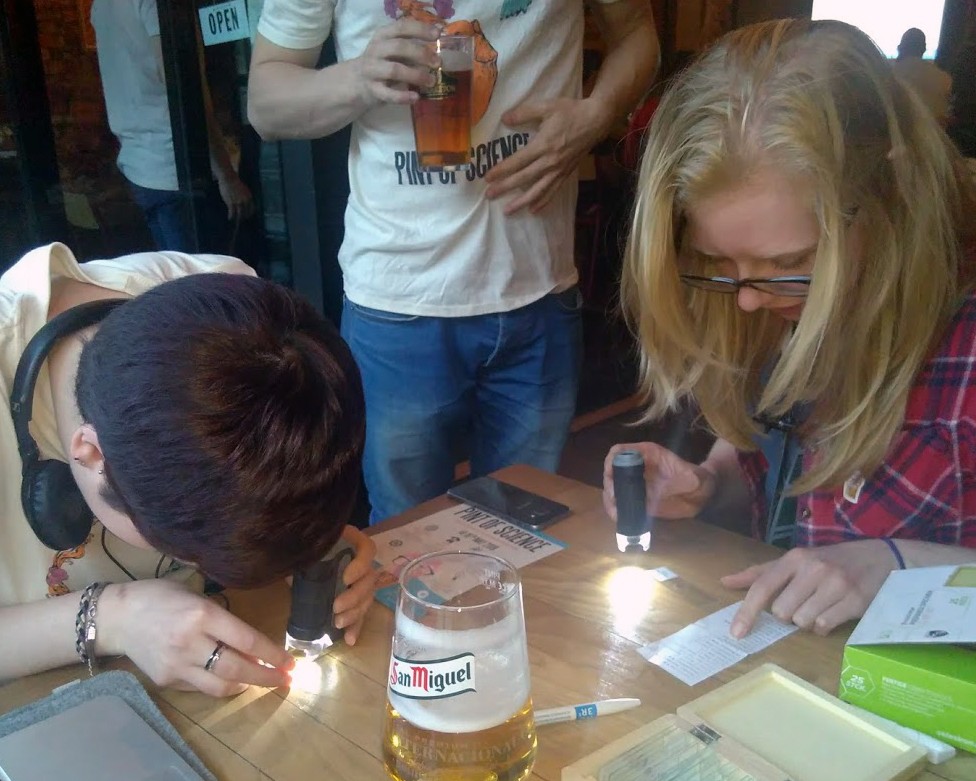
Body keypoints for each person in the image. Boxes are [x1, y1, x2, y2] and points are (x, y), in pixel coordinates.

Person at [602, 19, 976, 640]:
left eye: (792, 264)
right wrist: (705, 487)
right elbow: (769, 478)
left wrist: (895, 565)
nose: (748, 300)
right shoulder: (771, 318)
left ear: (889, 190)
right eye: (721, 266)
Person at [246, 0, 659, 523]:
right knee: (410, 535)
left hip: (539, 289)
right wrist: (358, 78)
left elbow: (637, 33)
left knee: (528, 528)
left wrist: (598, 114)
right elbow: (266, 103)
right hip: (397, 300)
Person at [0, 243, 377, 695]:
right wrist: (115, 618)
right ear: (91, 453)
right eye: (187, 549)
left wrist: (305, 542)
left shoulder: (242, 313)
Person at [91, 0, 254, 251]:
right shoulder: (158, 5)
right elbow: (182, 85)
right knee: (201, 281)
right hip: (175, 165)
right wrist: (226, 174)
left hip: (139, 165)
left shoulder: (101, 4)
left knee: (179, 277)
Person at [891, 27, 953, 127]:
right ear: (924, 49)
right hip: (935, 140)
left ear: (900, 48)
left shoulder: (889, 76)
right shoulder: (945, 79)